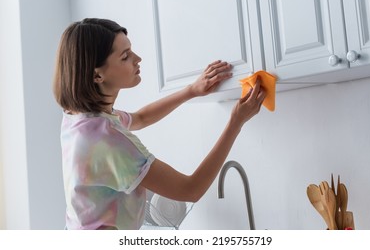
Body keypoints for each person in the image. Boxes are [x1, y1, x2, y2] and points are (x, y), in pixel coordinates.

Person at [53, 18, 266, 230]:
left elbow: (140, 118)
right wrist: (236, 122)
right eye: (125, 56)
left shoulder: (80, 119)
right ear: (97, 75)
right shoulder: (107, 140)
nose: (138, 59)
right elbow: (191, 190)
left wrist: (191, 90)